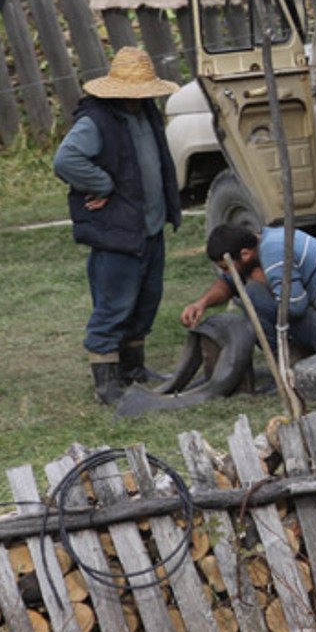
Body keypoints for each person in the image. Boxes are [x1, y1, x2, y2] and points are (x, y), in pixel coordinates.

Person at [52, 47, 183, 406]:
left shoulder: (145, 113)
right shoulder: (96, 120)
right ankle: (106, 383)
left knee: (145, 301)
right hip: (119, 231)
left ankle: (133, 369)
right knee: (113, 305)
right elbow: (66, 160)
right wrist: (101, 184)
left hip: (148, 228)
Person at [182, 224, 316, 360]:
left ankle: (285, 364)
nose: (226, 273)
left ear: (245, 253)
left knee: (253, 295)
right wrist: (202, 303)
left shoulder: (274, 253)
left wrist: (263, 283)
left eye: (227, 267)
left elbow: (295, 307)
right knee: (252, 287)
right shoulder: (264, 240)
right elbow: (228, 282)